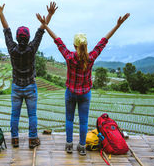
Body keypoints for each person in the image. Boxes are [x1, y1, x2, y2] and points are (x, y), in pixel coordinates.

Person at [36, 12, 130, 155]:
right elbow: (104, 41)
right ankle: (81, 147)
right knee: (84, 121)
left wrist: (46, 25)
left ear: (74, 45)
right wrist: (117, 25)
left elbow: (58, 41)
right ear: (86, 45)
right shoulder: (91, 57)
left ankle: (68, 145)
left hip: (71, 93)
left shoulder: (69, 57)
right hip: (85, 94)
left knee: (69, 119)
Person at [0, 0, 58, 149]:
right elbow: (41, 31)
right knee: (32, 115)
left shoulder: (12, 49)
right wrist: (49, 14)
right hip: (30, 86)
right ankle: (32, 139)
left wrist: (0, 12)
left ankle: (14, 140)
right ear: (28, 38)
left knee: (14, 115)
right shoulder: (32, 48)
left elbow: (6, 29)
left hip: (16, 86)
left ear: (16, 38)